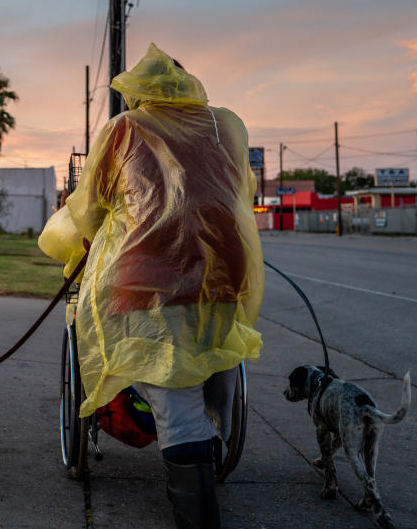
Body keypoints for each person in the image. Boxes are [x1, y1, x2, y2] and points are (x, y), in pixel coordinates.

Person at [39, 44, 264, 529]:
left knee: (176, 404)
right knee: (216, 360)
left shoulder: (125, 130)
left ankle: (196, 507)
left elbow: (92, 207)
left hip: (147, 283)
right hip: (223, 278)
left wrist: (87, 241)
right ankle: (213, 426)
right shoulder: (225, 127)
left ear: (140, 95)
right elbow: (239, 194)